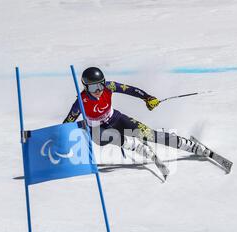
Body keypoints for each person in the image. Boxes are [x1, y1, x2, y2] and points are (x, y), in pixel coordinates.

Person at [63, 67, 211, 179]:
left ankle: (191, 146)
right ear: (85, 87)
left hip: (116, 118)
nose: (98, 90)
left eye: (100, 85)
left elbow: (130, 90)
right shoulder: (81, 101)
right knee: (103, 136)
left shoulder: (109, 87)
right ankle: (137, 147)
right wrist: (61, 140)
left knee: (151, 135)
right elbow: (68, 121)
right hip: (97, 129)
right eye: (94, 87)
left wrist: (147, 98)